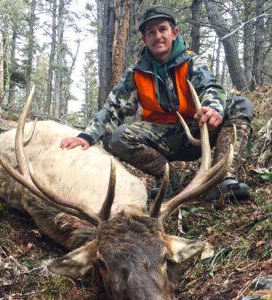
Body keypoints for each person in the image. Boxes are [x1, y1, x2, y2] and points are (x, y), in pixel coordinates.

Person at [60, 5, 253, 200]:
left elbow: (211, 87)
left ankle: (222, 178)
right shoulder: (136, 73)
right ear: (145, 39)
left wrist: (213, 109)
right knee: (120, 137)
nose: (157, 36)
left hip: (199, 129)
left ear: (174, 33)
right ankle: (169, 178)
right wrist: (87, 136)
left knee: (239, 104)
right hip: (163, 137)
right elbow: (112, 108)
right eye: (151, 32)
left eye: (162, 29)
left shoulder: (192, 62)